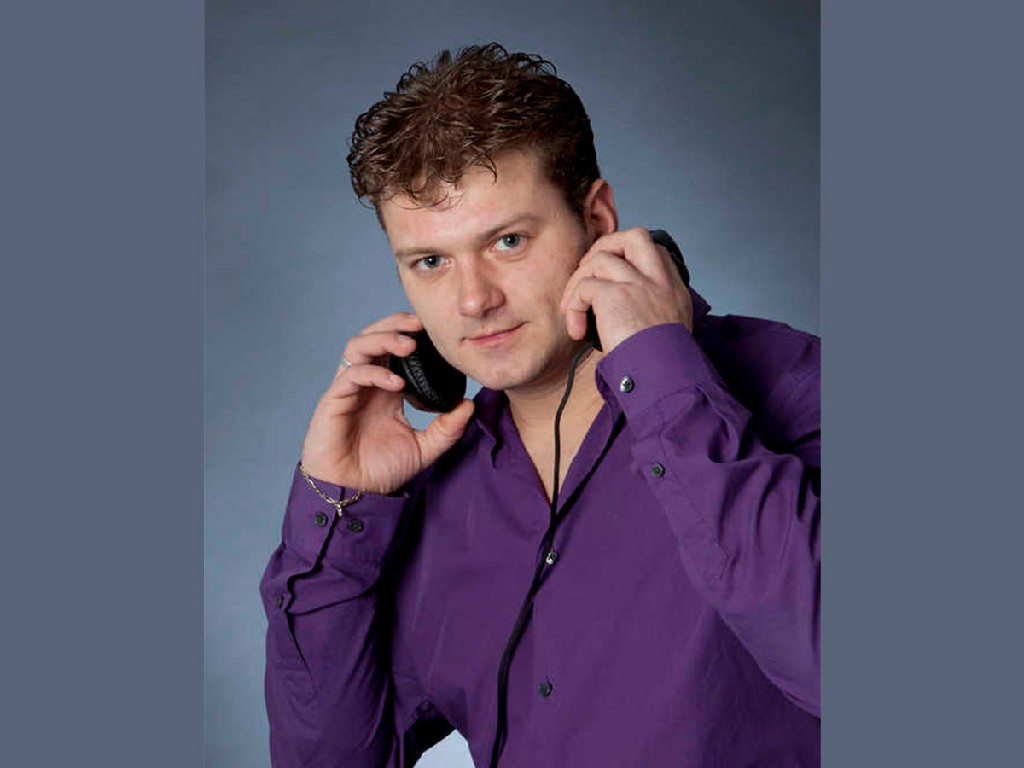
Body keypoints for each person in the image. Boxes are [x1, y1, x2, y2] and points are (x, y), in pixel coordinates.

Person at [260, 43, 820, 767]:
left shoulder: (795, 385)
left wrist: (666, 384)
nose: (472, 300)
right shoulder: (438, 495)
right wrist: (339, 511)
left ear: (598, 218)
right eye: (431, 262)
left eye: (508, 241)